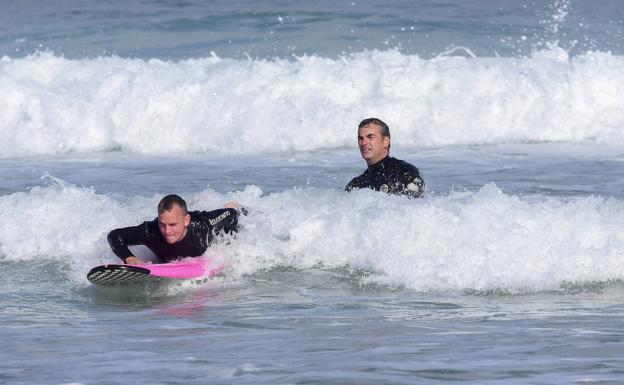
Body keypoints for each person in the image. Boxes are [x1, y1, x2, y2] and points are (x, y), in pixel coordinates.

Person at [107, 194, 240, 264]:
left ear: (186, 220)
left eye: (172, 225)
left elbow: (230, 214)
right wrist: (129, 257)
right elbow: (114, 236)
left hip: (219, 215)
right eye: (162, 224)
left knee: (235, 209)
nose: (167, 231)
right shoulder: (151, 231)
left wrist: (229, 244)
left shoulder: (204, 224)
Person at [345, 117, 425, 198]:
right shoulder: (355, 185)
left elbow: (416, 207)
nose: (363, 143)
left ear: (386, 141)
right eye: (360, 138)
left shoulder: (405, 172)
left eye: (370, 137)